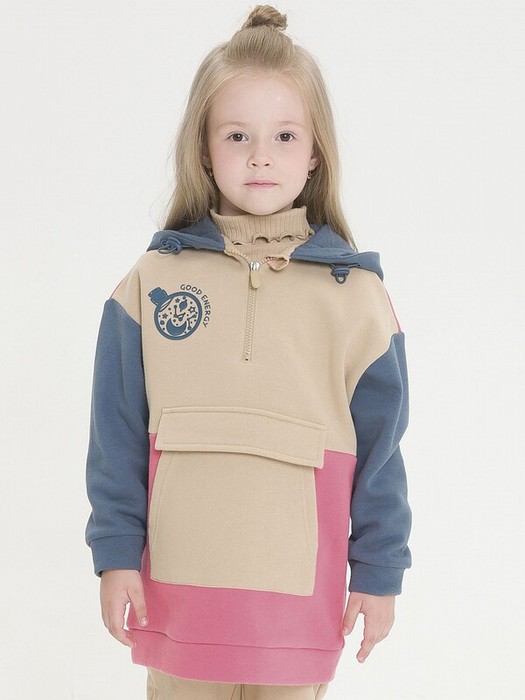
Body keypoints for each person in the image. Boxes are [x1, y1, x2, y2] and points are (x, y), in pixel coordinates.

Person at [85, 5, 412, 699]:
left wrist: (379, 572)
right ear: (204, 149)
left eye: (284, 135)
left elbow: (381, 452)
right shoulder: (151, 283)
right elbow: (116, 433)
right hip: (177, 598)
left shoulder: (357, 298)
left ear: (315, 150)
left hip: (299, 607)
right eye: (237, 135)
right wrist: (114, 553)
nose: (261, 155)